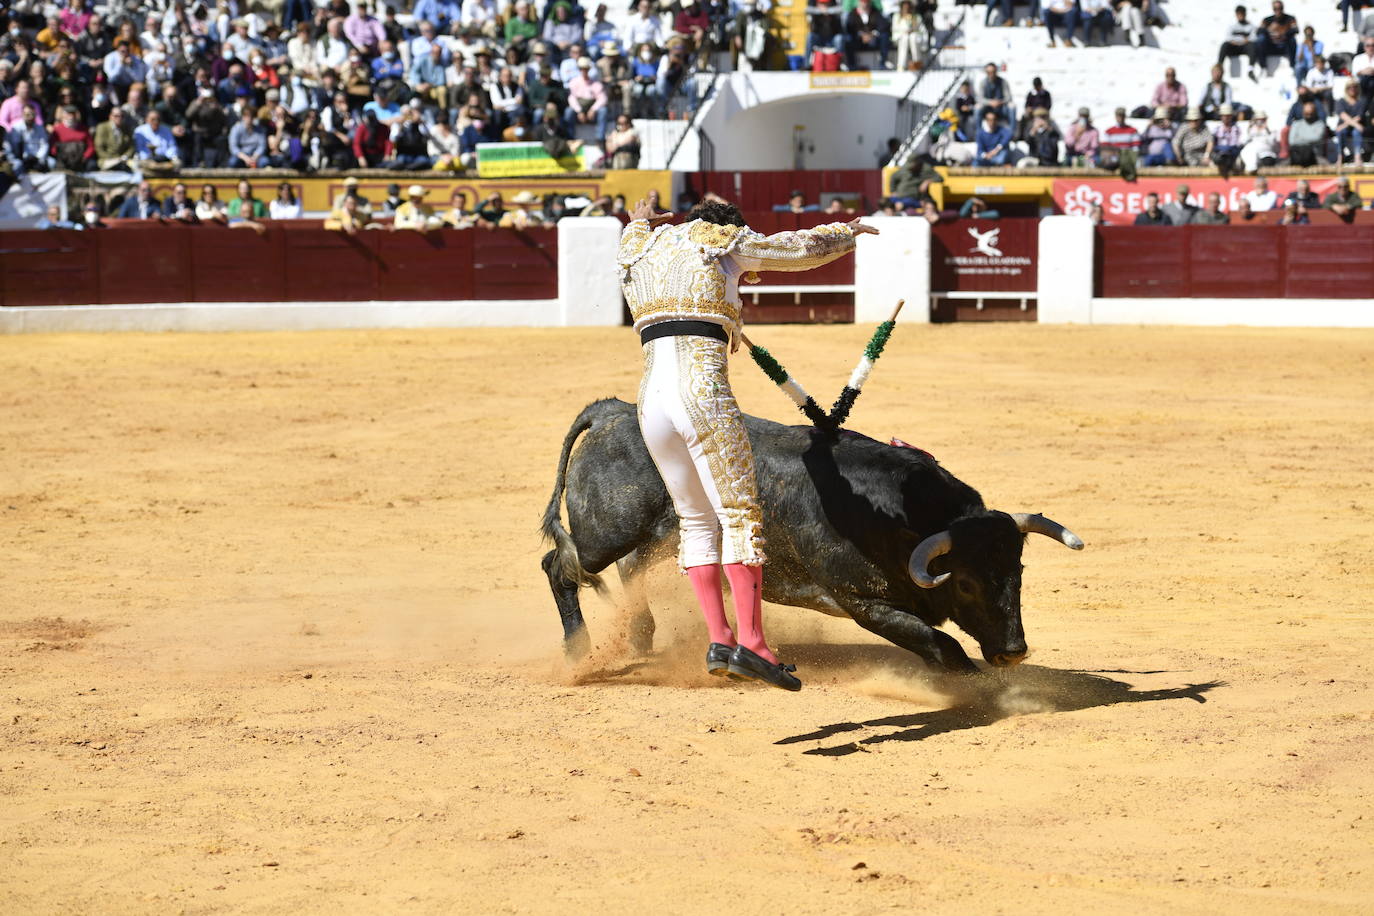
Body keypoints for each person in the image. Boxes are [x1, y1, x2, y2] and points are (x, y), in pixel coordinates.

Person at [616, 196, 874, 690]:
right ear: (729, 227)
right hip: (701, 394)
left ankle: (720, 639)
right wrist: (847, 231)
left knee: (696, 520)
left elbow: (634, 229)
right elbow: (799, 249)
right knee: (738, 517)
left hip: (650, 404)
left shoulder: (637, 247)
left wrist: (641, 219)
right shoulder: (720, 242)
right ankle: (753, 644)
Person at [1287, 100, 1329, 166]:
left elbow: (1317, 138)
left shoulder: (1320, 124)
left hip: (1315, 157)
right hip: (1297, 156)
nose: (1309, 116)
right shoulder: (1296, 124)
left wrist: (1300, 138)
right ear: (1303, 112)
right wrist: (1309, 141)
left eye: (1311, 113)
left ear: (1315, 112)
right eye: (1306, 113)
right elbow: (1292, 141)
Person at [1257, 0, 1297, 67]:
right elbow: (1259, 31)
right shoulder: (1267, 20)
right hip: (1271, 46)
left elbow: (1295, 29)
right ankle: (1263, 66)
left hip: (1284, 46)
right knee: (1261, 39)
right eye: (1275, 9)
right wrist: (1269, 30)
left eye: (1280, 8)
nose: (1278, 10)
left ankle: (1292, 65)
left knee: (1292, 39)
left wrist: (1283, 33)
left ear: (1283, 8)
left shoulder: (1290, 18)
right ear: (1273, 9)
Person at [1218, 4, 1259, 71]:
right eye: (1238, 14)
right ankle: (1219, 66)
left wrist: (1239, 40)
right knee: (1224, 45)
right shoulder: (1232, 26)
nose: (1240, 16)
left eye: (1242, 14)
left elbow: (1254, 37)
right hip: (1234, 47)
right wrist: (1242, 40)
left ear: (1245, 14)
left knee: (1252, 45)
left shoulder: (1251, 26)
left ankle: (1250, 69)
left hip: (1245, 48)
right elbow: (1228, 38)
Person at [1211, 104, 1242, 175]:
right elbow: (1212, 143)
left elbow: (1238, 144)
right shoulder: (1216, 129)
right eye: (1224, 115)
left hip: (1232, 153)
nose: (1226, 117)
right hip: (1220, 153)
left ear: (1231, 116)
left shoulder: (1237, 128)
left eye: (1228, 115)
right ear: (1221, 116)